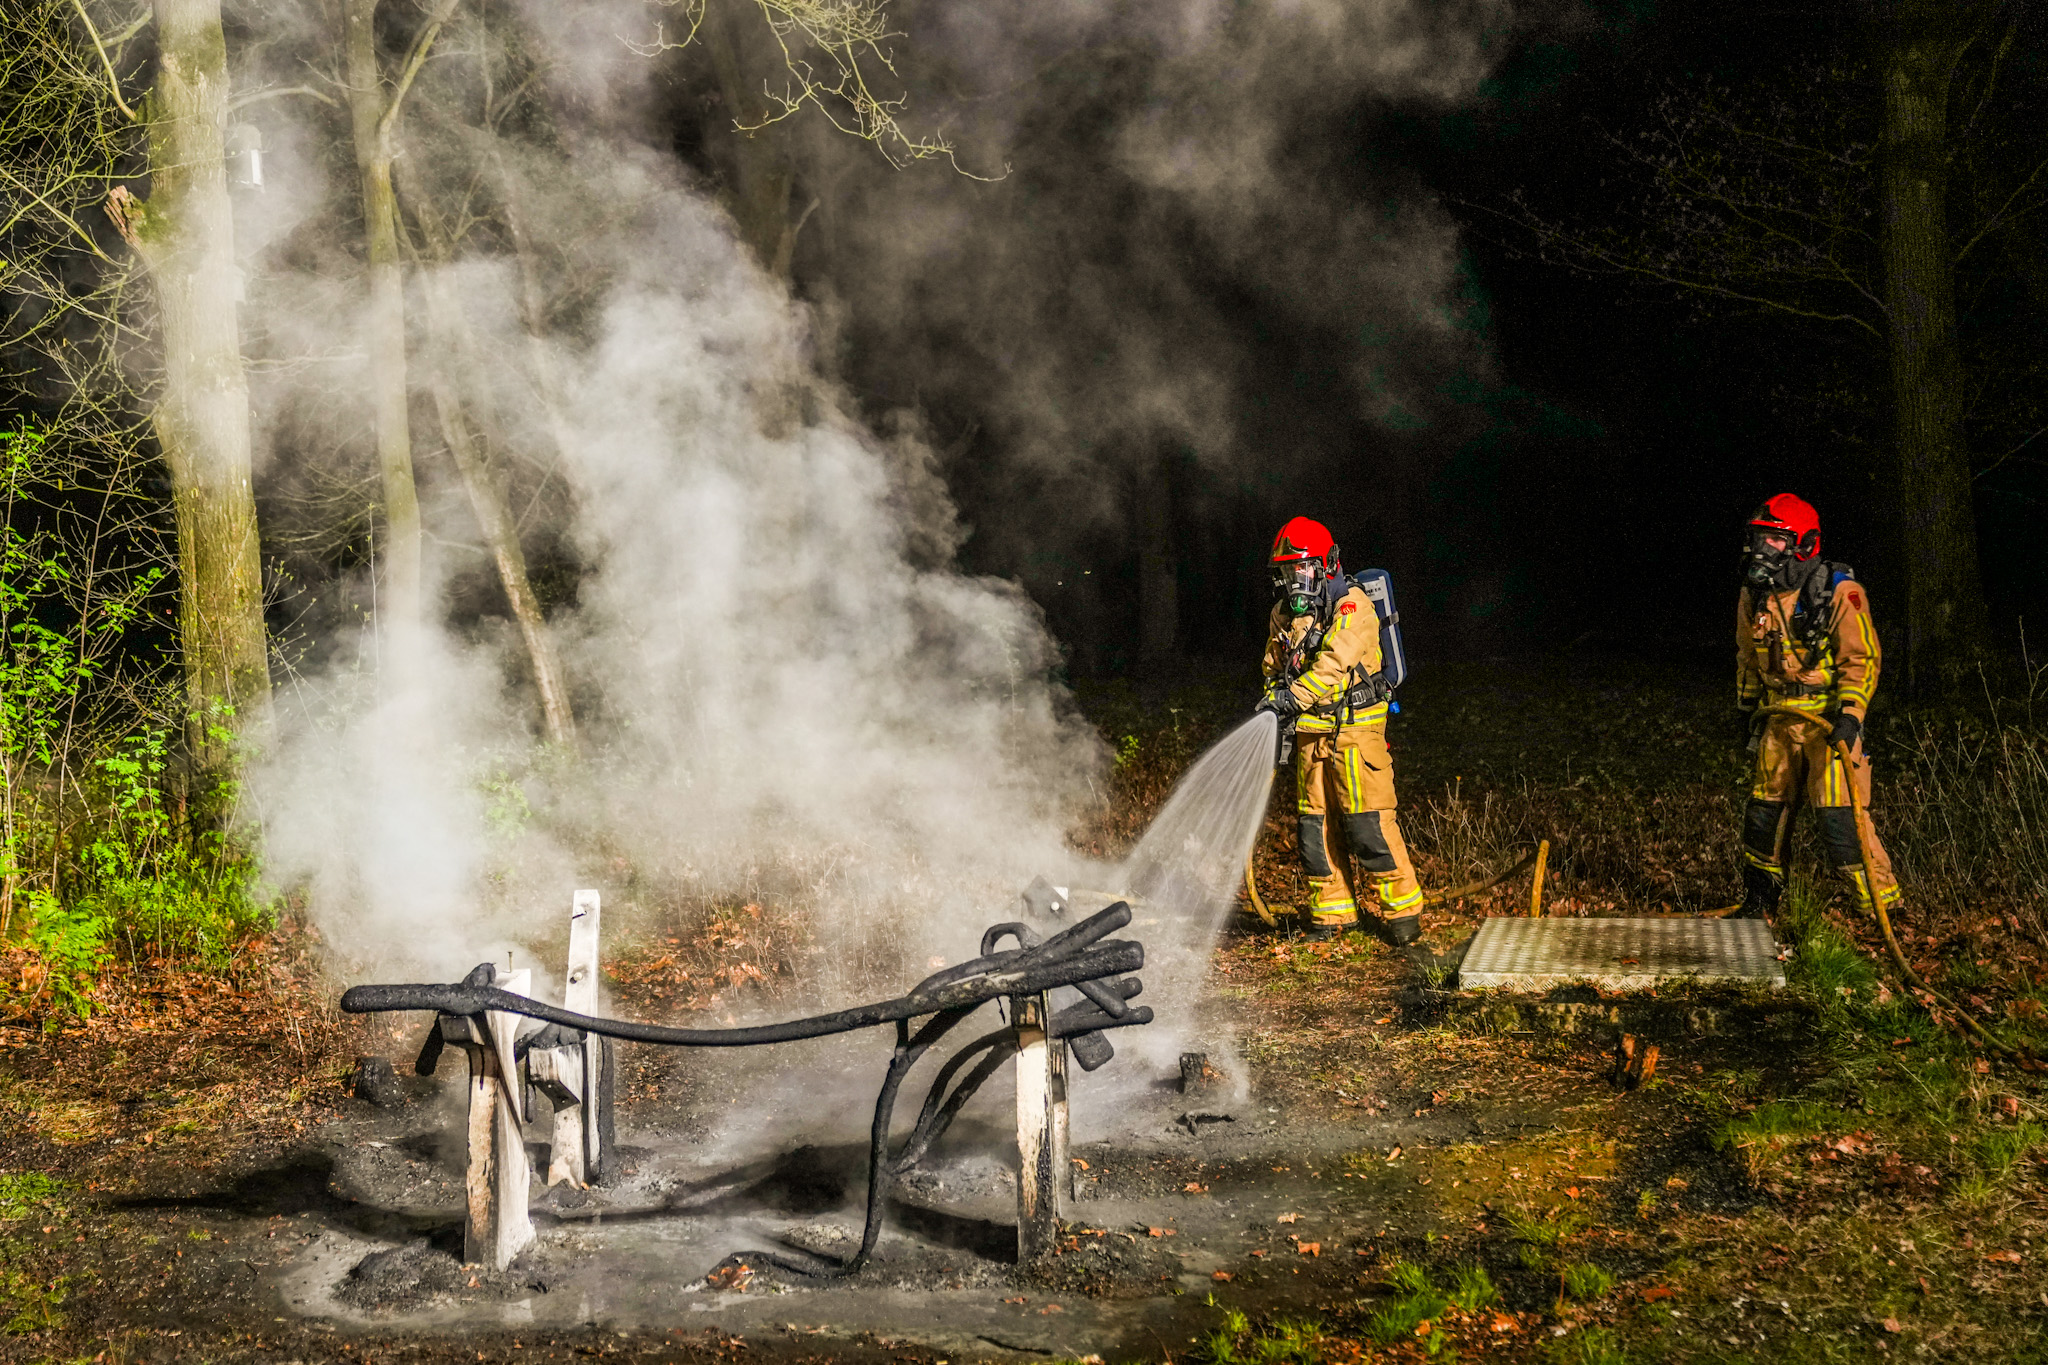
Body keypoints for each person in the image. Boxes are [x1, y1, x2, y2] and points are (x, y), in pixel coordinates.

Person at [1255, 517, 1425, 944]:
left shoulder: (1353, 607)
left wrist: (1291, 699)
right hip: (1311, 734)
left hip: (1356, 731)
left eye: (1302, 568)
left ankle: (1403, 913)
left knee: (1369, 825)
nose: (1294, 580)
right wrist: (1273, 703)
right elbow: (1274, 667)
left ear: (1326, 565)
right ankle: (1333, 913)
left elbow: (1333, 664)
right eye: (1287, 571)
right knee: (1315, 828)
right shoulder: (1283, 614)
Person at [1734, 494, 1901, 920]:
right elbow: (1747, 654)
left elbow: (1861, 659)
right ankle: (1760, 902)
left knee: (1840, 819)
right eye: (1760, 538)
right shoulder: (1755, 594)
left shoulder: (1839, 592)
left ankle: (1881, 909)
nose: (1763, 549)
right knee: (1764, 815)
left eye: (1775, 540)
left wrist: (1851, 716)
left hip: (1826, 720)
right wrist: (1746, 707)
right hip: (1778, 718)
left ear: (1804, 545)